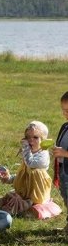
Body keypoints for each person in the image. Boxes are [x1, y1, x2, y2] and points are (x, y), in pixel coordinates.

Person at [0, 121, 61, 219]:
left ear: (43, 140)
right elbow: (24, 176)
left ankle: (29, 205)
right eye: (27, 137)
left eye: (35, 137)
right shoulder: (29, 154)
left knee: (35, 171)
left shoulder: (43, 155)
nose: (30, 140)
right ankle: (20, 204)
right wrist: (9, 178)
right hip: (26, 191)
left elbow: (31, 164)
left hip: (38, 194)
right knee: (11, 197)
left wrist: (25, 147)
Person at [52, 91, 68, 232]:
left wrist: (65, 153)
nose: (65, 113)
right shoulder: (65, 127)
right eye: (63, 110)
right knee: (66, 197)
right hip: (64, 171)